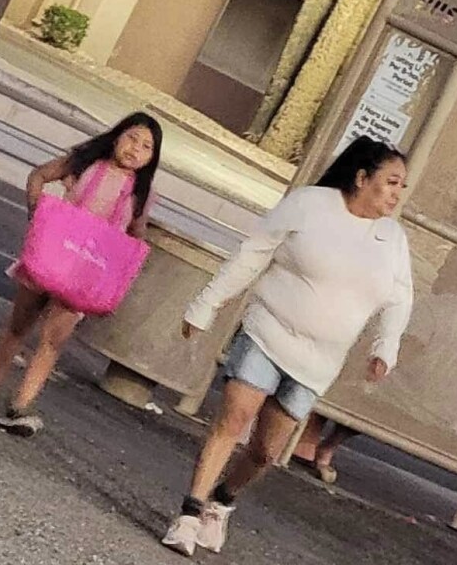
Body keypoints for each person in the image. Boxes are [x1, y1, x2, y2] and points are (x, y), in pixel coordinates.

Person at [161, 135, 414, 557]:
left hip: (318, 361)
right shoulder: (309, 204)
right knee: (234, 420)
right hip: (267, 331)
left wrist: (385, 347)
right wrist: (205, 304)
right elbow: (252, 253)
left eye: (401, 186)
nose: (396, 193)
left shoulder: (393, 239)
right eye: (391, 181)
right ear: (361, 177)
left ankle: (222, 501)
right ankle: (188, 514)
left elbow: (400, 297)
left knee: (265, 451)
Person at [0, 112, 163, 437]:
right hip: (51, 257)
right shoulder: (83, 162)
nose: (135, 149)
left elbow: (135, 236)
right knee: (18, 325)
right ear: (116, 136)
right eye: (131, 137)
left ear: (152, 158)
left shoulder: (141, 193)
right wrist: (36, 214)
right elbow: (39, 175)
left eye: (146, 146)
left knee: (53, 341)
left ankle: (21, 405)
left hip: (84, 275)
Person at [294, 248, 457, 483]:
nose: (439, 272)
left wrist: (355, 369)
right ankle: (327, 449)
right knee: (365, 390)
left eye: (447, 267)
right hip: (442, 412)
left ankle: (305, 445)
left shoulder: (433, 307)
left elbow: (402, 352)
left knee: (336, 381)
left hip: (406, 403)